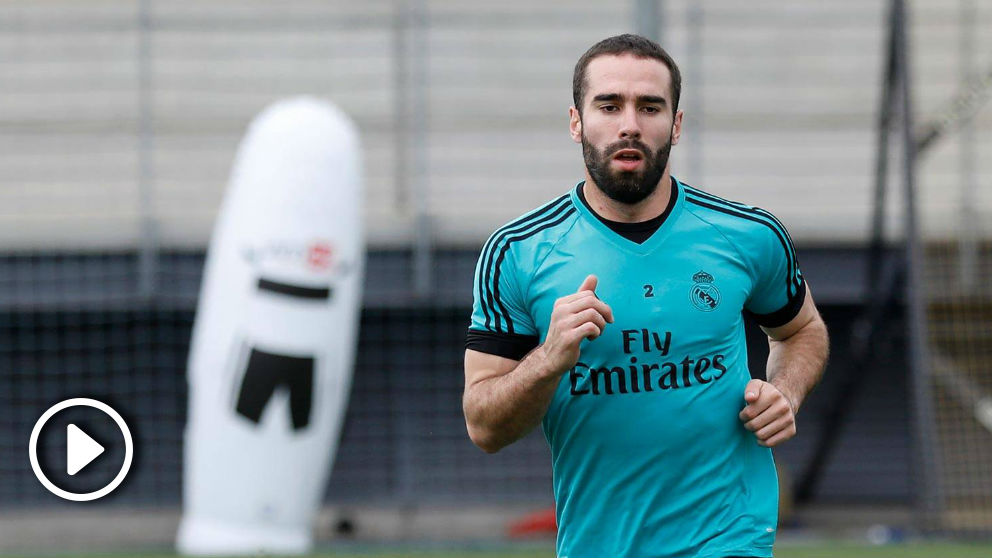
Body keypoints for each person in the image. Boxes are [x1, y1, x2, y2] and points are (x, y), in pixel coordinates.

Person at [462, 34, 829, 558]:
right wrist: (547, 360)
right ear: (576, 122)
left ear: (675, 125)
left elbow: (801, 331)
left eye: (649, 107)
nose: (629, 124)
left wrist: (786, 391)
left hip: (729, 534)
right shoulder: (518, 253)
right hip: (599, 541)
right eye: (609, 106)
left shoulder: (748, 235)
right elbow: (484, 426)